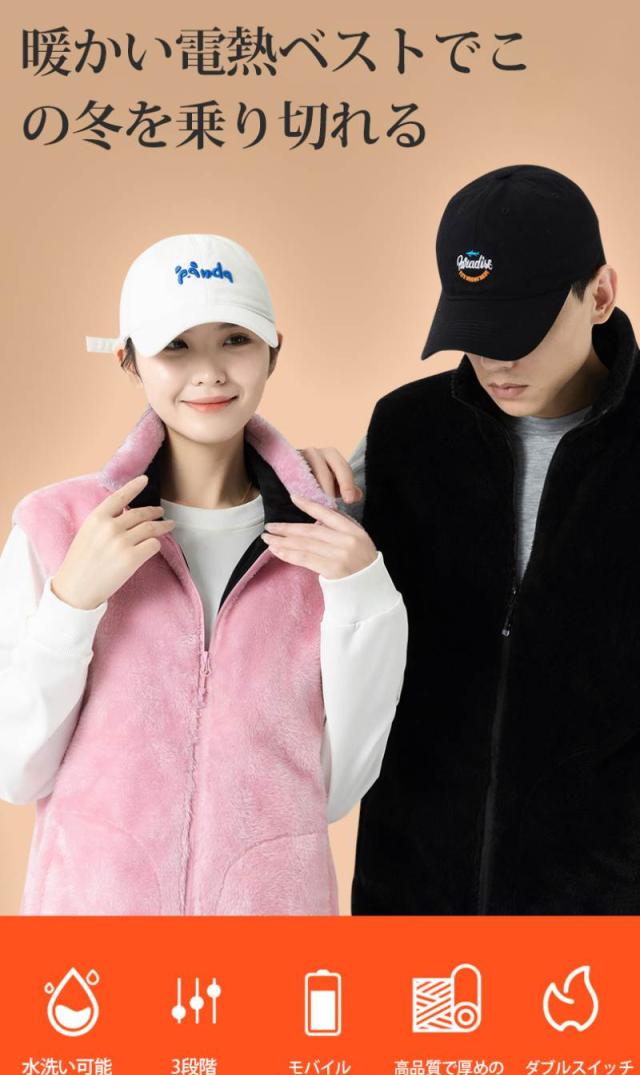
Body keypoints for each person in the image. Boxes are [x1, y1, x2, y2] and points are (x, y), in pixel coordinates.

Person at [0, 233, 408, 916]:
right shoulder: (56, 527)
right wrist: (72, 604)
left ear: (274, 349)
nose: (210, 373)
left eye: (235, 340)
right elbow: (15, 770)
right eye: (177, 346)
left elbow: (335, 789)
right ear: (129, 359)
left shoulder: (330, 545)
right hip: (93, 952)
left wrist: (365, 595)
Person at [299, 163, 640, 915]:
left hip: (603, 909)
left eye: (521, 330)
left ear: (600, 295)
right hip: (410, 893)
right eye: (476, 332)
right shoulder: (406, 431)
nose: (496, 361)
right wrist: (290, 487)